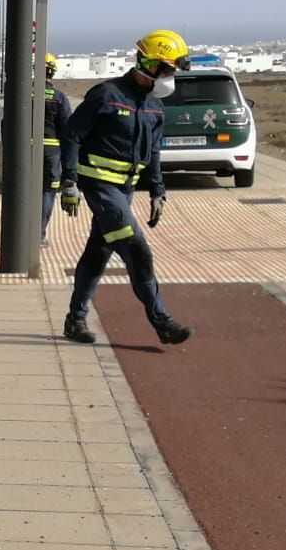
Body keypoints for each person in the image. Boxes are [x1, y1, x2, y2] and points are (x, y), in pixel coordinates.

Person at [59, 30, 194, 347]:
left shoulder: (154, 106)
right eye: (168, 69)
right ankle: (161, 321)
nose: (170, 77)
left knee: (98, 252)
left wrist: (158, 189)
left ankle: (75, 319)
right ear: (148, 63)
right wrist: (69, 181)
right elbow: (72, 136)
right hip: (100, 187)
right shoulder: (106, 95)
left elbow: (155, 151)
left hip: (126, 189)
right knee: (138, 251)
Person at [40, 54, 73, 244]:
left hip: (25, 151)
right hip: (52, 154)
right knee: (47, 192)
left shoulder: (21, 93)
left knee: (22, 190)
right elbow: (68, 130)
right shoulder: (59, 98)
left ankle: (19, 235)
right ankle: (39, 234)